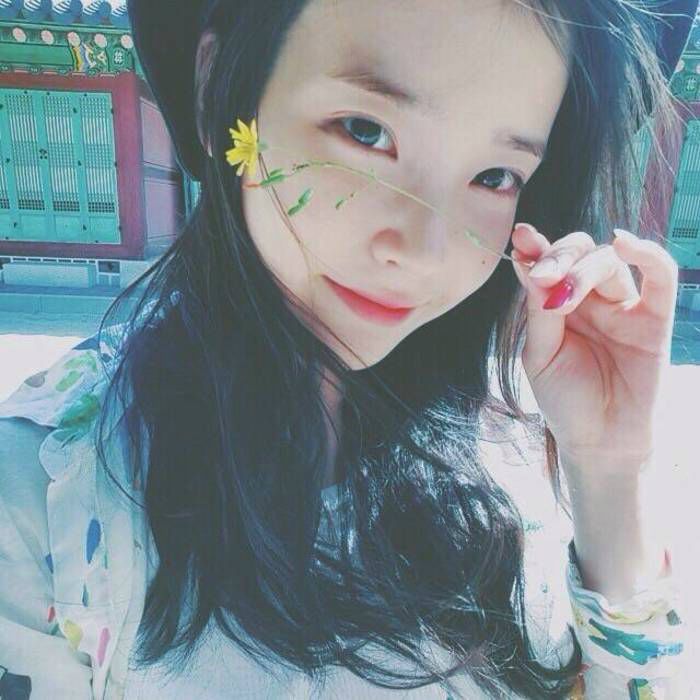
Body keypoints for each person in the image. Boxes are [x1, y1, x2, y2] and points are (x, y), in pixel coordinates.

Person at [0, 0, 696, 697]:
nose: (423, 253)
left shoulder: (520, 443)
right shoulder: (48, 501)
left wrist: (606, 471)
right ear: (217, 90)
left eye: (495, 177)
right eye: (366, 131)